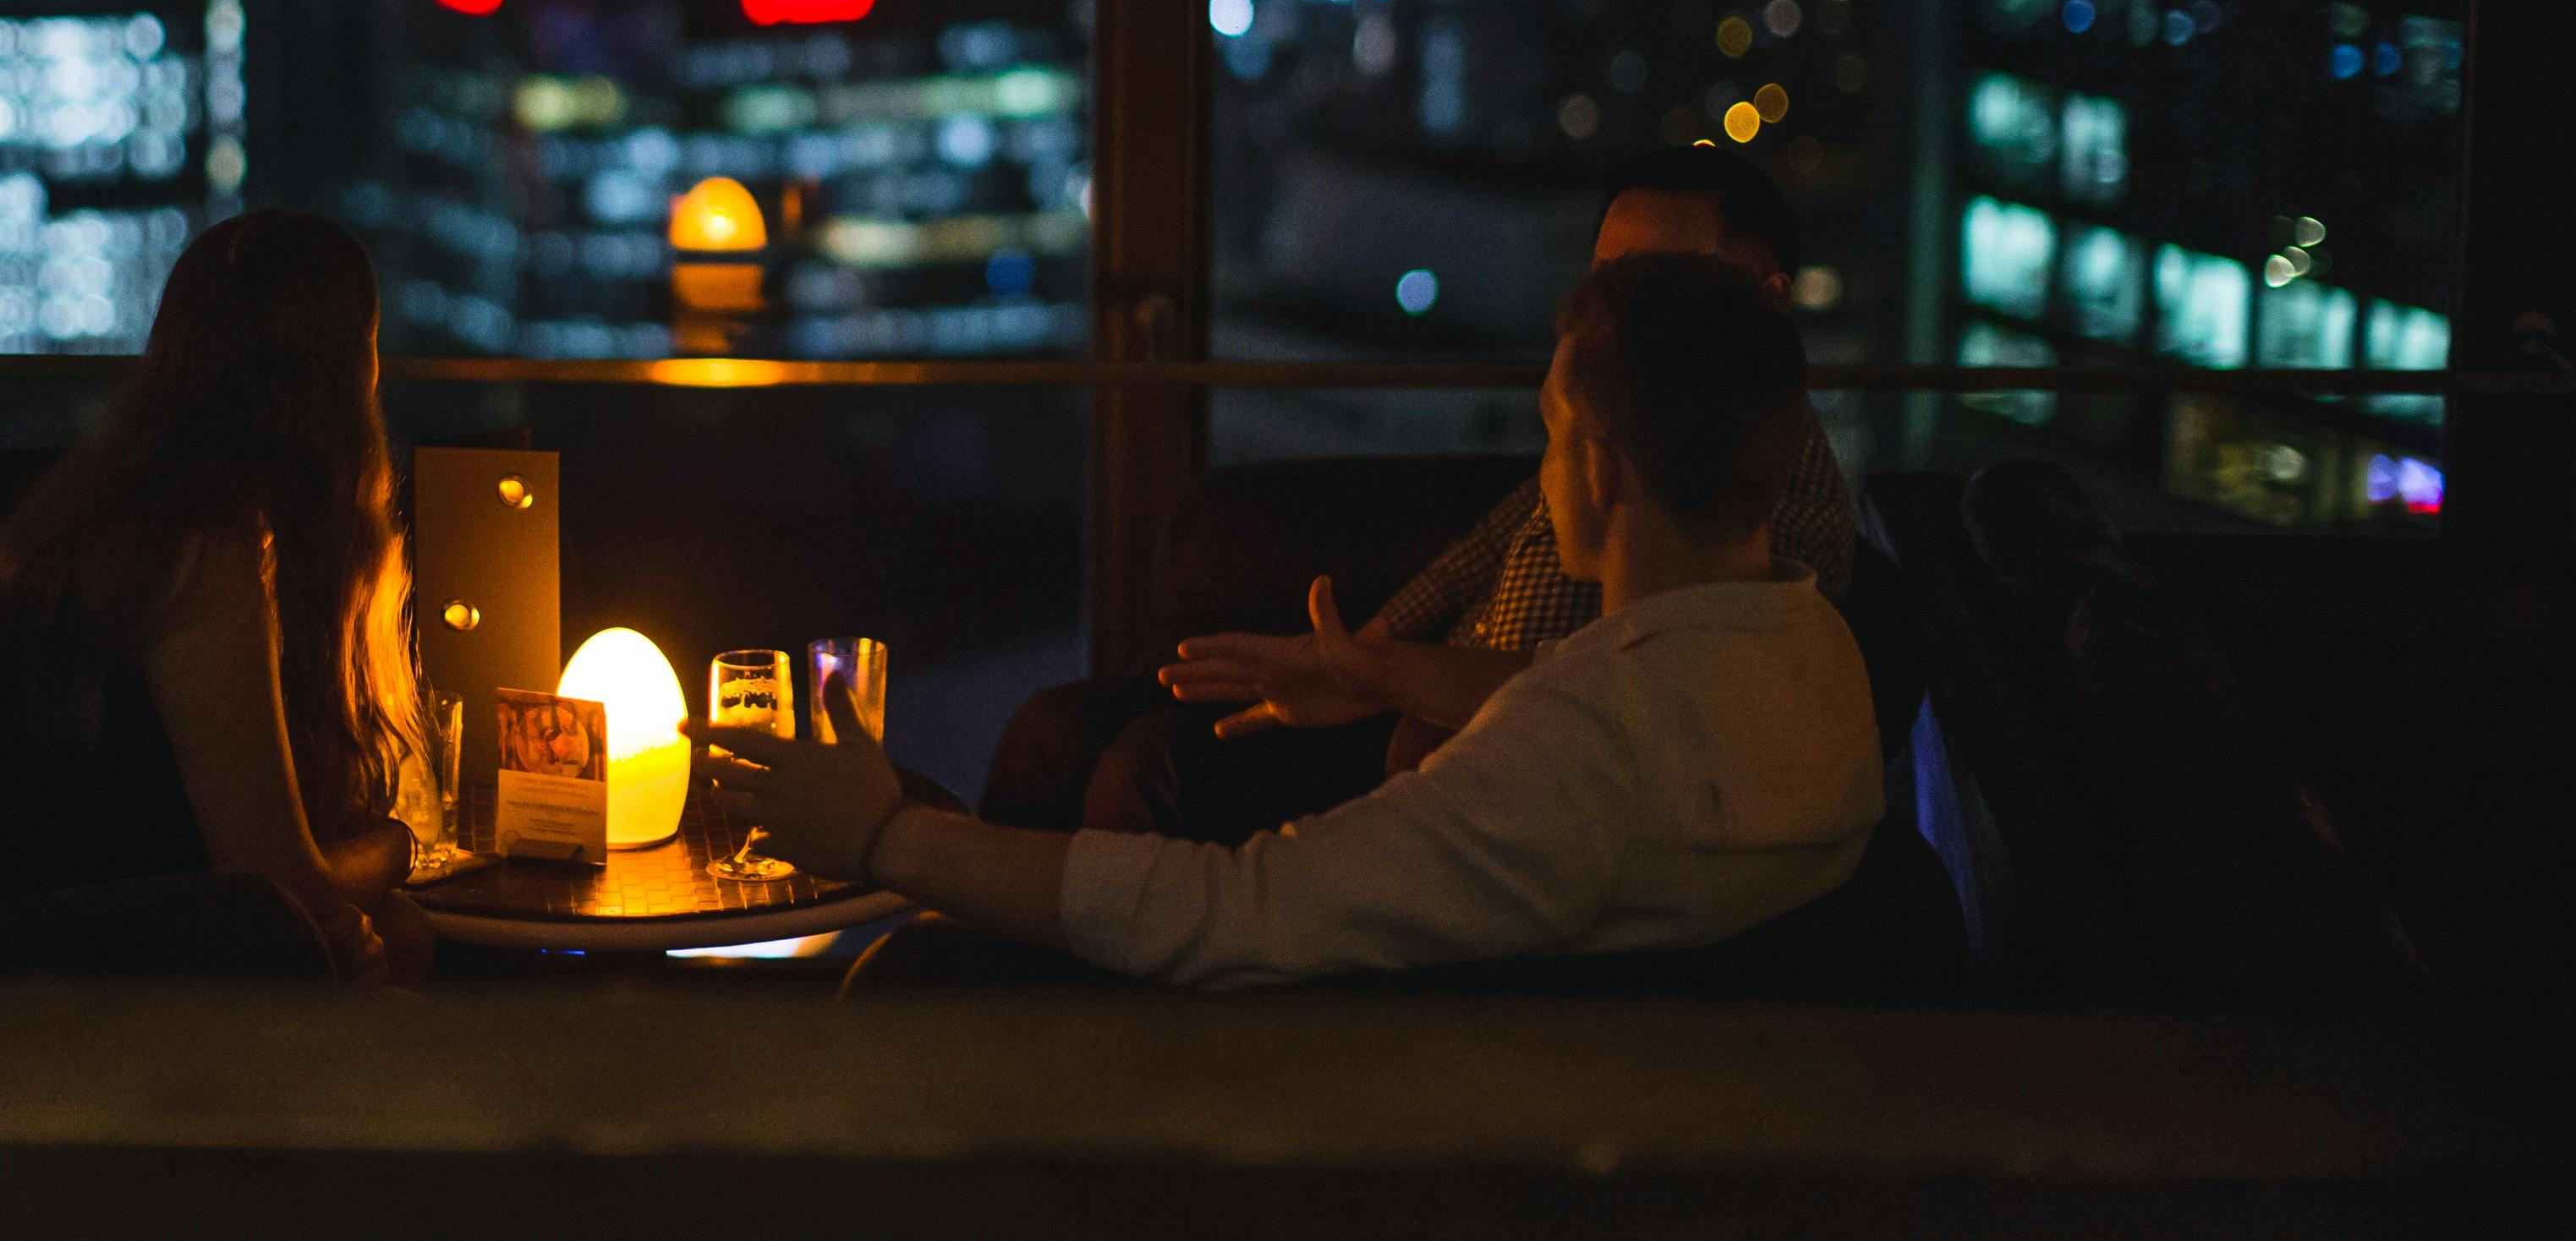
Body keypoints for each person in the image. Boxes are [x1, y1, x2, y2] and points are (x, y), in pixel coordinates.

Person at [707, 252, 1883, 990]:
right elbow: (1621, 706)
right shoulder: (1815, 656)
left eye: (1549, 430)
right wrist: (1392, 676)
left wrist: (884, 838)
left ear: (1603, 466)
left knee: (916, 973)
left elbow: (1233, 912)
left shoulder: (1580, 753)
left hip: (1388, 1086)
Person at [1082, 143, 1854, 843]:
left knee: (1148, 765)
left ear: (1766, 297)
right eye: (1607, 277)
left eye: (1661, 280)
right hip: (1427, 706)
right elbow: (1485, 548)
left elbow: (1646, 705)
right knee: (1085, 725)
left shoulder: (1748, 505)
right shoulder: (1612, 428)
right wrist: (1359, 652)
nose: (1618, 309)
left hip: (1466, 753)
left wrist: (1384, 680)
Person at [0, 210, 427, 978]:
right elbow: (275, 879)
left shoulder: (107, 509)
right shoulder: (204, 546)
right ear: (352, 371)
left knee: (395, 932)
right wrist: (403, 845)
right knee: (400, 937)